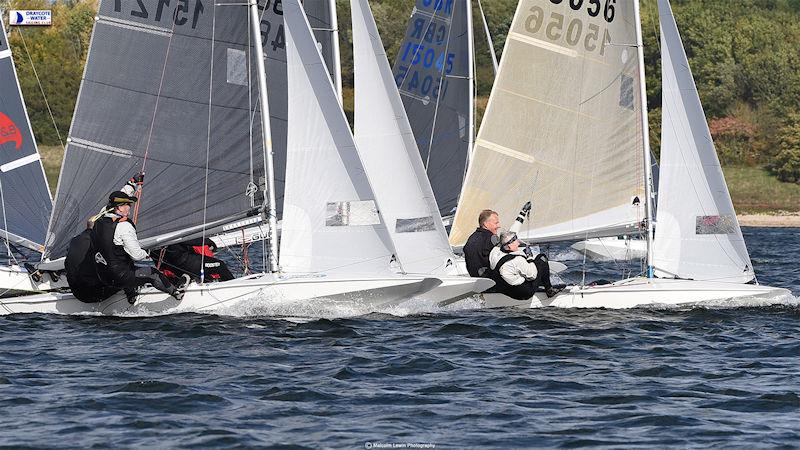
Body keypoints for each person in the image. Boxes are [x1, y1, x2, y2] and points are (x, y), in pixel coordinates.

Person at [90, 175, 185, 304]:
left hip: (102, 275)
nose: (130, 206)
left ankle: (131, 296)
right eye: (128, 204)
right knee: (152, 273)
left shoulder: (100, 217)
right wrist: (149, 259)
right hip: (119, 277)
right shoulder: (123, 226)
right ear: (119, 208)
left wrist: (132, 183)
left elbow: (120, 195)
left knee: (124, 263)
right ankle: (177, 293)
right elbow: (136, 254)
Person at [488, 230, 561, 300]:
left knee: (517, 272)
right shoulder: (518, 260)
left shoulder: (494, 252)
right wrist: (530, 257)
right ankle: (549, 290)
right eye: (516, 240)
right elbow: (533, 275)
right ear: (509, 246)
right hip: (523, 293)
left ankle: (542, 283)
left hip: (505, 290)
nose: (519, 243)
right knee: (541, 258)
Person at [154, 237, 234, 283]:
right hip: (185, 263)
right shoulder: (170, 235)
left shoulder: (153, 241)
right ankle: (234, 287)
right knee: (220, 265)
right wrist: (208, 241)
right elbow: (186, 239)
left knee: (207, 276)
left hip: (173, 267)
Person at [463, 209, 501, 277]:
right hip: (493, 282)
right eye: (496, 223)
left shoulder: (471, 238)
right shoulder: (492, 238)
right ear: (486, 224)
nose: (499, 226)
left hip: (478, 281)